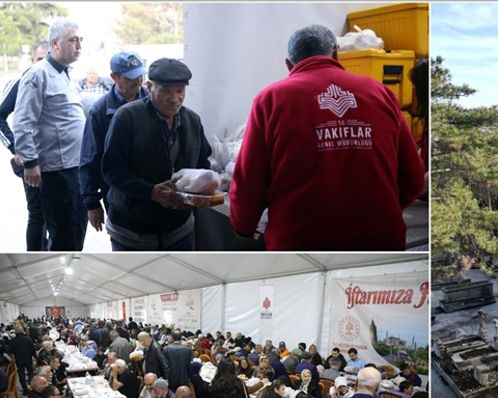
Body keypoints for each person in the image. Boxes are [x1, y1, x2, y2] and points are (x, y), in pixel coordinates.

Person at [229, 24, 424, 251]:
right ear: (336, 54)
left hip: (300, 243)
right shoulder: (380, 92)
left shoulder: (270, 100)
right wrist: (380, 211)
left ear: (289, 65)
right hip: (380, 240)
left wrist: (243, 227)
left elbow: (249, 180)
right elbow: (414, 177)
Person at [101, 58, 213, 251]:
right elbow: (112, 170)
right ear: (149, 86)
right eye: (166, 91)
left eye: (180, 91)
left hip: (180, 229)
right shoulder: (126, 117)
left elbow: (203, 162)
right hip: (132, 232)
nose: (174, 98)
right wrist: (150, 191)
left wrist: (201, 187)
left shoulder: (192, 120)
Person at [14, 19, 87, 251]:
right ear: (54, 43)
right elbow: (24, 121)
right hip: (57, 171)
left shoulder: (67, 74)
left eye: (80, 40)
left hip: (75, 167)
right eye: (72, 40)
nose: (78, 46)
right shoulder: (37, 75)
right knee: (65, 235)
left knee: (77, 229)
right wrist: (31, 162)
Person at [0, 40, 50, 250]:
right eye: (39, 59)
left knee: (56, 213)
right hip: (32, 161)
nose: (43, 64)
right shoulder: (21, 81)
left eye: (47, 59)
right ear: (31, 60)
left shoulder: (60, 80)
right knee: (38, 214)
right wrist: (16, 148)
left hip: (58, 160)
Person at [11, 326, 35, 394]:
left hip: (19, 360)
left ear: (15, 332)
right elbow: (33, 350)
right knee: (30, 372)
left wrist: (14, 360)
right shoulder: (28, 339)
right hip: (28, 359)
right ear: (22, 331)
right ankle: (30, 386)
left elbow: (11, 352)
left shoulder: (13, 340)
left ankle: (25, 390)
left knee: (21, 375)